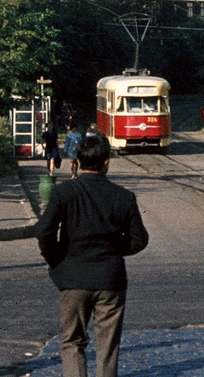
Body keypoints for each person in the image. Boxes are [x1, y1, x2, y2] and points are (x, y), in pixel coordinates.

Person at [35, 136, 148, 377]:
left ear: (77, 161)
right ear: (106, 162)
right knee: (108, 345)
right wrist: (114, 248)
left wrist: (57, 259)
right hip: (110, 277)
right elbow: (140, 239)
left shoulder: (64, 193)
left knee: (72, 341)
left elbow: (43, 231)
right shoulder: (124, 196)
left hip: (73, 276)